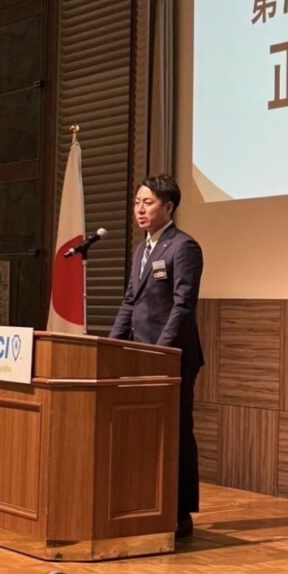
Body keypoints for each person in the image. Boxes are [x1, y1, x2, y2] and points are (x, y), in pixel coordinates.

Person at [109, 173, 204, 539]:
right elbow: (130, 303)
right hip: (140, 357)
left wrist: (158, 352)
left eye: (147, 203)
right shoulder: (141, 250)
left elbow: (183, 307)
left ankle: (181, 513)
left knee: (176, 433)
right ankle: (149, 505)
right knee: (146, 433)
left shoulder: (184, 247)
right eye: (137, 202)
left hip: (171, 358)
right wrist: (111, 347)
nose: (140, 209)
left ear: (168, 207)